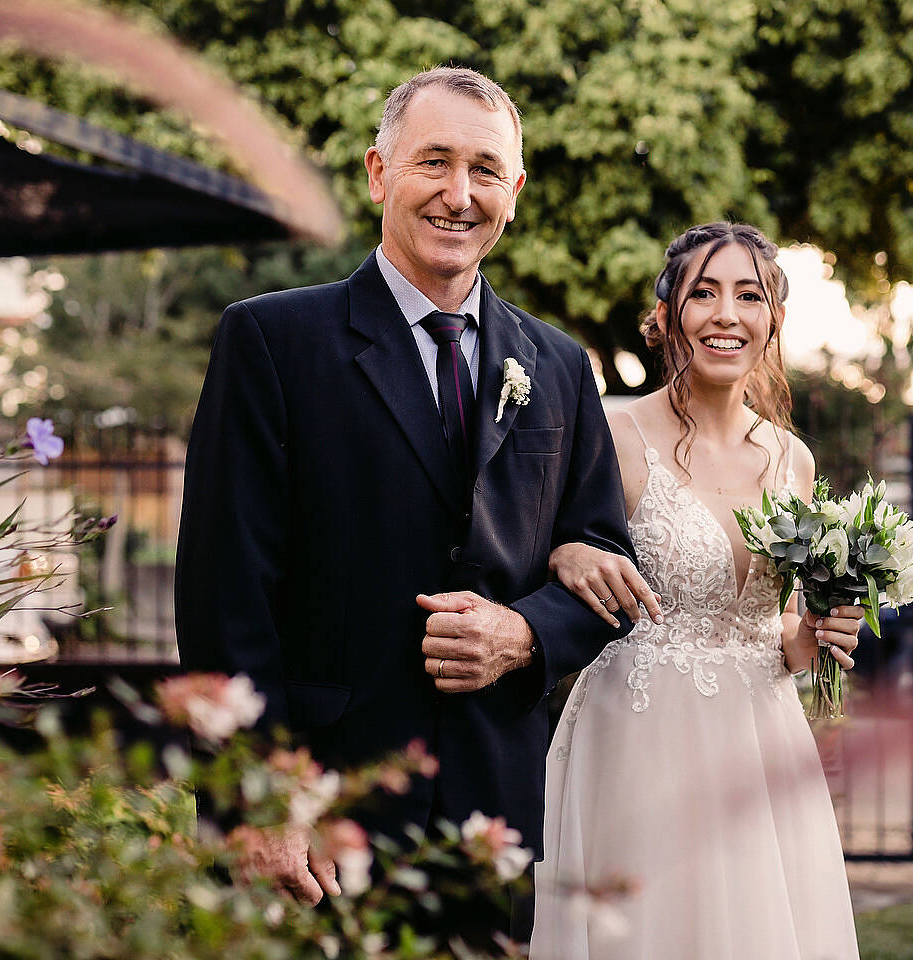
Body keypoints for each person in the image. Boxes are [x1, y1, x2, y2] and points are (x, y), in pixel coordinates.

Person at [174, 66, 637, 925]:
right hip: (324, 818)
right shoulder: (272, 341)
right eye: (434, 162)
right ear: (379, 172)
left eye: (486, 170)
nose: (459, 194)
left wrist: (524, 632)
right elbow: (222, 598)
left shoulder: (562, 367)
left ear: (516, 191)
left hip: (498, 811)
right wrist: (264, 801)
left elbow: (610, 569)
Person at [529, 222, 863, 959]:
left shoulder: (792, 459)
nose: (726, 315)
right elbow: (548, 554)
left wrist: (814, 638)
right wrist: (567, 554)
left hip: (763, 742)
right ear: (668, 315)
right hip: (640, 738)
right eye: (703, 293)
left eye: (749, 295)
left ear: (772, 319)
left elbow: (772, 631)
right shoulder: (614, 435)